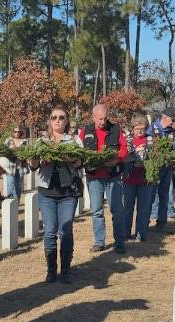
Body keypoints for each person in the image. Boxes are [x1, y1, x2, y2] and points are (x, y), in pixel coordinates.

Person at [27, 106, 83, 283]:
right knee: (50, 232)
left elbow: (81, 162)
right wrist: (37, 159)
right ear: (49, 121)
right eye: (54, 117)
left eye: (61, 117)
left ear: (67, 121)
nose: (58, 120)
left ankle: (66, 270)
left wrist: (67, 158)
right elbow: (33, 165)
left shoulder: (74, 140)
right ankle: (51, 271)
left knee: (65, 232)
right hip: (47, 193)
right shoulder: (41, 142)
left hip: (68, 193)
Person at [82, 104, 128, 253]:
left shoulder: (115, 129)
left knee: (117, 211)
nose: (103, 121)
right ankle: (99, 242)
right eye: (100, 119)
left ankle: (119, 242)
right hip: (94, 177)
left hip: (113, 176)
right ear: (93, 117)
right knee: (97, 211)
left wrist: (116, 159)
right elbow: (79, 150)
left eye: (105, 118)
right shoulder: (85, 131)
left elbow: (124, 149)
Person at [147, 107, 175, 231]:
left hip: (167, 168)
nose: (174, 122)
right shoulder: (151, 130)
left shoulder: (171, 131)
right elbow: (148, 149)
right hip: (154, 167)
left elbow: (173, 148)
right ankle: (145, 222)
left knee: (164, 195)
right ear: (165, 118)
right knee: (150, 195)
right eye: (172, 119)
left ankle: (162, 223)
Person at [123, 116, 154, 242]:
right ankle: (125, 233)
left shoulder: (151, 140)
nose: (140, 131)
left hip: (145, 178)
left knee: (143, 208)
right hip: (129, 178)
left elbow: (155, 157)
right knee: (127, 208)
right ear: (133, 128)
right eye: (137, 129)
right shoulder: (127, 140)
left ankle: (141, 233)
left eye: (142, 129)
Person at [4, 125, 27, 200]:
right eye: (15, 131)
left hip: (21, 166)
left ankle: (16, 204)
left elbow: (28, 152)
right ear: (12, 132)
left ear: (21, 132)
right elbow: (3, 151)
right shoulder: (8, 140)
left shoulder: (25, 141)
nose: (17, 133)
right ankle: (9, 203)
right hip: (10, 165)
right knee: (10, 184)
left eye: (18, 132)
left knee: (18, 186)